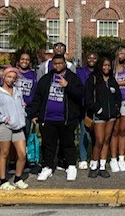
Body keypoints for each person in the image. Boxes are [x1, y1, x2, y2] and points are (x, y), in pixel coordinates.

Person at [27, 54, 84, 182]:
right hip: (48, 118)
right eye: (55, 64)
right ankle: (47, 167)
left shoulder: (73, 78)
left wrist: (67, 85)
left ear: (65, 64)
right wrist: (34, 114)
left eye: (60, 63)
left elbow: (80, 95)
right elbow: (38, 97)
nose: (58, 66)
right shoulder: (46, 79)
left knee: (68, 144)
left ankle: (70, 166)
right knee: (48, 144)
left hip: (66, 119)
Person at [85, 57, 121, 178]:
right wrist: (98, 109)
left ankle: (102, 165)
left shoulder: (112, 80)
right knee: (99, 140)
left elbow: (118, 96)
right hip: (99, 115)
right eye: (104, 65)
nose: (106, 68)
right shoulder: (93, 79)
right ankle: (94, 165)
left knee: (106, 140)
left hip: (111, 116)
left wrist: (116, 108)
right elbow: (88, 98)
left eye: (108, 66)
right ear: (100, 66)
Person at [0, 67, 29, 190]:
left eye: (14, 77)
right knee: (4, 153)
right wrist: (4, 119)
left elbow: (21, 105)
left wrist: (23, 114)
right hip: (5, 127)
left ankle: (18, 178)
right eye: (9, 76)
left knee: (22, 154)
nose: (11, 79)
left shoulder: (17, 91)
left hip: (18, 126)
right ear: (3, 77)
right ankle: (3, 181)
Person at [76, 52, 98, 170]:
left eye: (94, 57)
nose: (91, 59)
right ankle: (83, 158)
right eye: (89, 57)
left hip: (97, 107)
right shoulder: (80, 71)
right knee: (84, 132)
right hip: (84, 106)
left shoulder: (99, 72)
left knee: (96, 134)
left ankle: (95, 157)